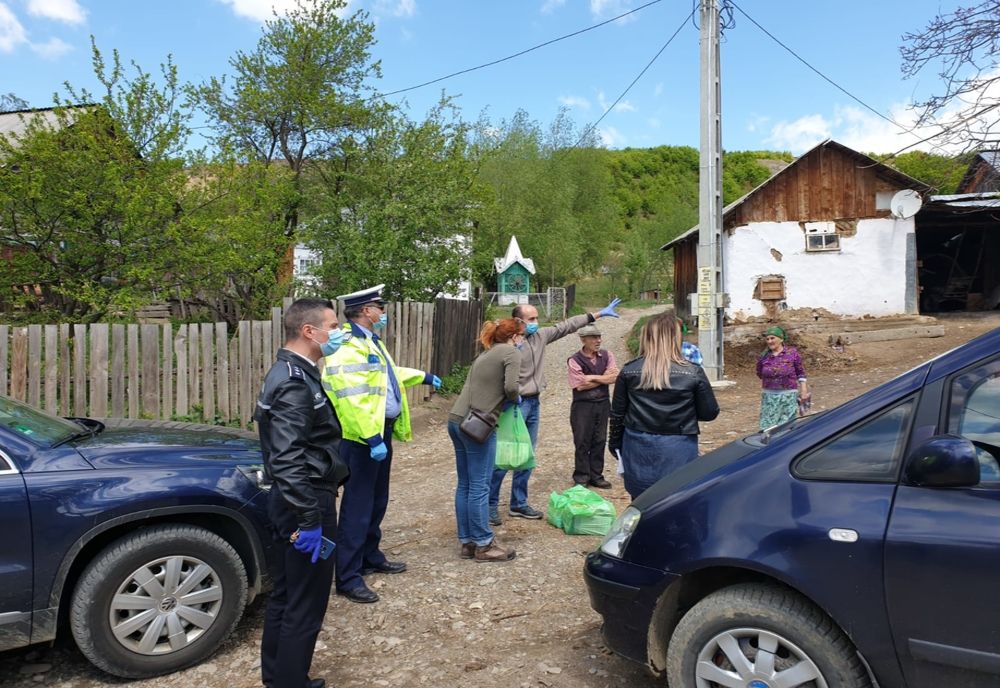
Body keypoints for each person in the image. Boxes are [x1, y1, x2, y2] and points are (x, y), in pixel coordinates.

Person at [322, 284, 441, 604]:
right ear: (365, 311)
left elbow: (386, 376)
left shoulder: (369, 342)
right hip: (362, 439)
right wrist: (371, 437)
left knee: (377, 500)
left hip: (378, 433)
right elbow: (351, 398)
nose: (383, 312)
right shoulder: (347, 347)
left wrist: (423, 376)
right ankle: (347, 576)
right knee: (357, 507)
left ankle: (370, 555)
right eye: (380, 307)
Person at [257, 298, 350, 688]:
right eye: (332, 325)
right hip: (306, 502)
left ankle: (280, 677)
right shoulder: (294, 381)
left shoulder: (293, 371)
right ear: (309, 331)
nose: (338, 332)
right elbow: (287, 456)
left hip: (293, 500)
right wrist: (310, 519)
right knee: (305, 602)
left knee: (286, 595)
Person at [489, 297, 621, 525]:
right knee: (506, 456)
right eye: (531, 319)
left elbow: (567, 326)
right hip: (514, 404)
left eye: (537, 318)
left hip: (534, 402)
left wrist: (598, 314)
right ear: (517, 321)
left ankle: (518, 503)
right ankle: (490, 505)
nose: (536, 322)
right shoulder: (507, 343)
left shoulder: (541, 337)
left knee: (526, 456)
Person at [608, 312, 719, 500]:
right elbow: (709, 413)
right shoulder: (692, 372)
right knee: (675, 500)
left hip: (638, 444)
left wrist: (615, 445)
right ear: (675, 338)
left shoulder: (629, 370)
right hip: (678, 446)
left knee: (641, 500)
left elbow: (617, 414)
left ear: (647, 337)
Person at [447, 318, 523, 562]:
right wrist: (516, 398)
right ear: (514, 336)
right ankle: (484, 544)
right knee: (480, 485)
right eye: (521, 335)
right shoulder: (510, 352)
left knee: (466, 483)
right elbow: (511, 386)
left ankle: (467, 542)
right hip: (478, 425)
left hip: (457, 420)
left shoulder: (485, 354)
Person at [567, 324, 619, 489]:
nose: (598, 340)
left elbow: (614, 376)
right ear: (583, 340)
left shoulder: (607, 355)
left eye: (599, 337)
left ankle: (596, 475)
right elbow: (579, 385)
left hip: (603, 403)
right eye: (594, 338)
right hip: (582, 406)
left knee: (600, 439)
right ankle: (582, 476)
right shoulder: (574, 359)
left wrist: (591, 378)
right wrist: (602, 378)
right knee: (582, 440)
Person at [756, 325, 810, 430]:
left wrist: (804, 391)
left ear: (781, 339)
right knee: (767, 427)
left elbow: (801, 373)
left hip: (788, 396)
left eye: (772, 338)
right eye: (767, 339)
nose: (769, 341)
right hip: (769, 397)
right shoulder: (763, 356)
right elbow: (759, 373)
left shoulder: (792, 353)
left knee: (786, 427)